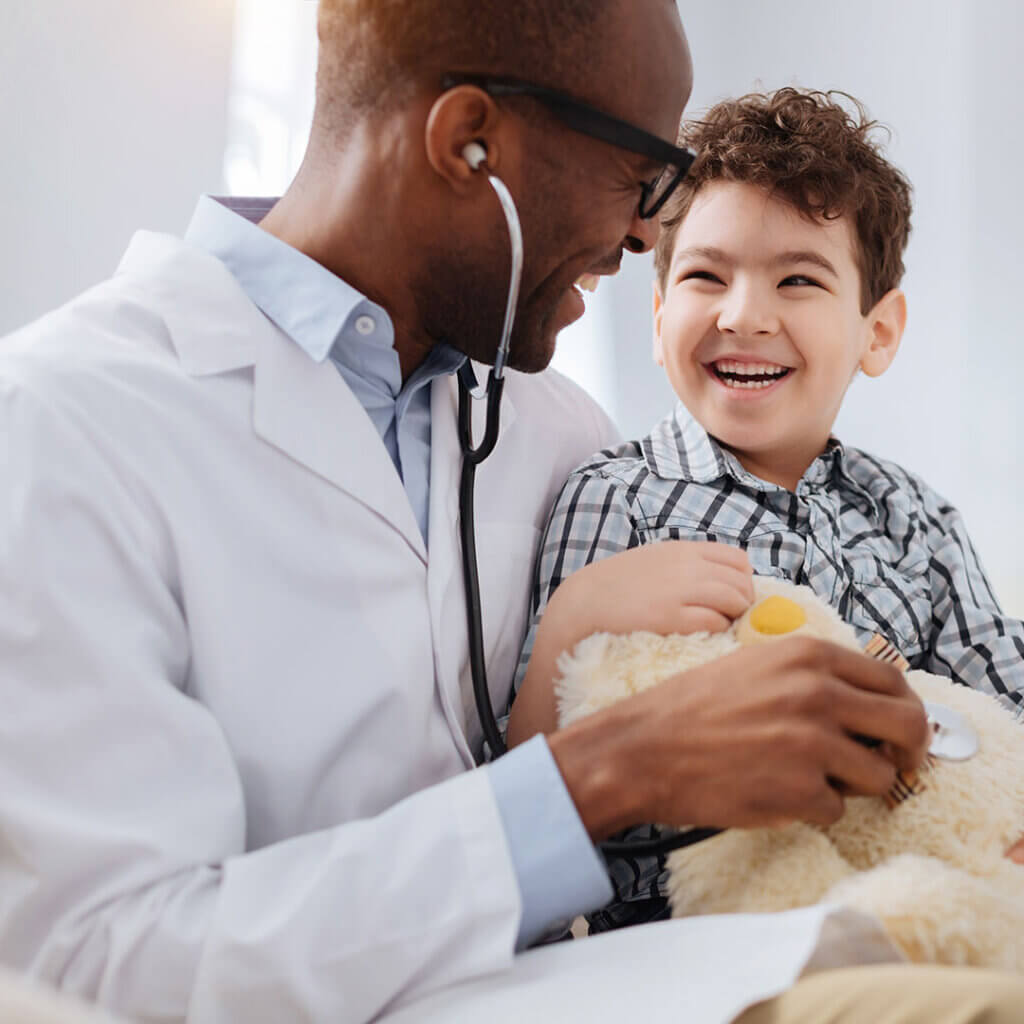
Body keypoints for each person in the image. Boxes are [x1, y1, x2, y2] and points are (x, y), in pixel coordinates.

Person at [1, 1, 1023, 1020]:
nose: (641, 232)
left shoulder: (553, 427)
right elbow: (86, 964)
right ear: (468, 143)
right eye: (641, 175)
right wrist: (599, 776)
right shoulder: (61, 421)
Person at [509, 88, 1024, 934]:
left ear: (877, 334)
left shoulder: (915, 519)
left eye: (798, 279)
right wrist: (572, 621)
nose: (744, 314)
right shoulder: (613, 498)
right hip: (686, 938)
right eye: (706, 275)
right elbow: (536, 790)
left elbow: (1004, 703)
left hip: (913, 909)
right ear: (659, 313)